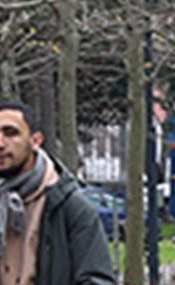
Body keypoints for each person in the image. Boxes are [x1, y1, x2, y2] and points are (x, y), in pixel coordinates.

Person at [0, 101, 113, 285]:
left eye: (10, 133)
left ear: (35, 141)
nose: (0, 143)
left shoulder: (69, 207)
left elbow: (97, 280)